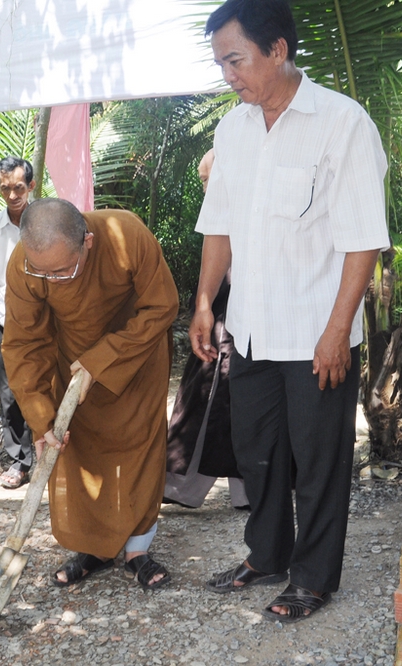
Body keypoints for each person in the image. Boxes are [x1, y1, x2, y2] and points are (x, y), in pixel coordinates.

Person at [191, 0, 390, 623]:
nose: (228, 76)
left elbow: (362, 239)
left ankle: (313, 577)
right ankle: (268, 555)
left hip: (314, 332)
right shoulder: (233, 130)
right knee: (257, 452)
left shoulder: (342, 123)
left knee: (318, 459)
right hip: (251, 328)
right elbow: (219, 226)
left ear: (277, 50)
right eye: (220, 64)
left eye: (235, 60)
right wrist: (203, 302)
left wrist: (337, 331)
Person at [2, 198, 179, 590]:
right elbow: (23, 345)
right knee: (78, 451)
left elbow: (162, 305)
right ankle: (95, 549)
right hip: (71, 364)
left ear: (88, 242)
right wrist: (40, 418)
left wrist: (102, 360)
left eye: (62, 271)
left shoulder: (128, 235)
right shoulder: (24, 265)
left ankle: (137, 551)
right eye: (42, 272)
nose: (52, 281)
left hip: (135, 356)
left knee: (139, 447)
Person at [164, 149, 248, 510]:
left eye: (207, 180)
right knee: (201, 401)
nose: (204, 188)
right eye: (202, 181)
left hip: (241, 324)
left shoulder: (249, 210)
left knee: (233, 403)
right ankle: (182, 487)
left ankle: (247, 491)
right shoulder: (218, 216)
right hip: (216, 321)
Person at [0, 157, 37, 489]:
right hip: (8, 321)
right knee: (10, 391)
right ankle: (19, 461)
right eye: (5, 188)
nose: (12, 195)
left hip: (48, 318)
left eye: (18, 187)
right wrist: (11, 322)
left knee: (53, 382)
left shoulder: (45, 222)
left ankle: (57, 453)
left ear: (30, 186)